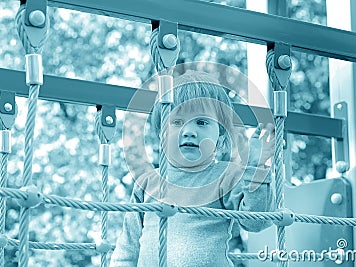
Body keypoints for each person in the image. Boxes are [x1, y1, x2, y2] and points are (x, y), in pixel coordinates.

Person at [110, 70, 275, 267]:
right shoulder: (147, 182)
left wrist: (256, 168)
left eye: (201, 122)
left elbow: (256, 222)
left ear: (220, 136)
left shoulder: (225, 175)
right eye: (177, 122)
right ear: (161, 134)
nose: (189, 131)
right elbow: (128, 246)